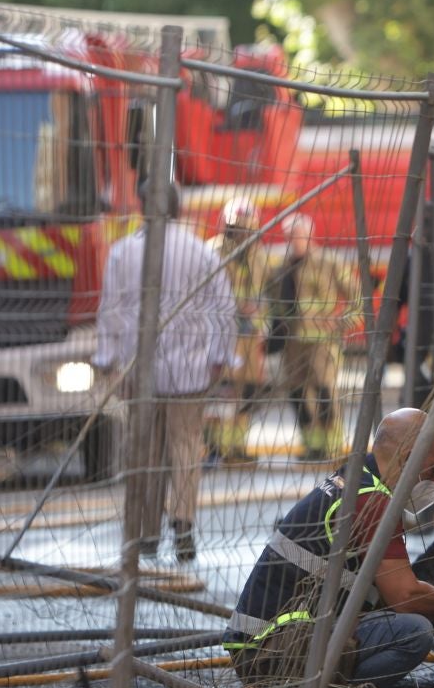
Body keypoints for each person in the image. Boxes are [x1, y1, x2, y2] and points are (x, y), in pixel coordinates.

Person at [223, 407, 434, 688]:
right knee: (414, 632)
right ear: (408, 459)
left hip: (267, 646)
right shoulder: (373, 502)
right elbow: (404, 598)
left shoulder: (355, 481)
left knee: (407, 616)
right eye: (433, 470)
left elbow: (379, 594)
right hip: (275, 656)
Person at [93, 180, 237, 563]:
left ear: (142, 205)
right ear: (179, 207)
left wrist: (106, 360)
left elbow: (111, 310)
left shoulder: (124, 253)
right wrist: (221, 355)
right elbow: (223, 308)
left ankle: (146, 534)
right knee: (186, 447)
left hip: (140, 373)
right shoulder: (200, 252)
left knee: (145, 451)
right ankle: (184, 524)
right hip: (191, 372)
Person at [270, 213, 358, 461]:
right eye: (290, 237)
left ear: (310, 235)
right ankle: (312, 445)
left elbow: (358, 297)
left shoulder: (329, 263)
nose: (294, 241)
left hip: (323, 342)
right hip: (293, 344)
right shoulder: (281, 268)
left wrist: (342, 324)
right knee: (297, 393)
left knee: (325, 392)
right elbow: (275, 304)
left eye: (298, 236)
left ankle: (331, 446)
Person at [205, 198, 272, 465]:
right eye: (237, 229)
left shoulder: (260, 255)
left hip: (251, 337)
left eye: (248, 230)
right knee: (223, 391)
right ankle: (215, 447)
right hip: (222, 336)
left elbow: (267, 293)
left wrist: (261, 318)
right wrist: (235, 307)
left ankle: (237, 447)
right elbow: (206, 296)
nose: (242, 235)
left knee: (249, 392)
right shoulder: (213, 252)